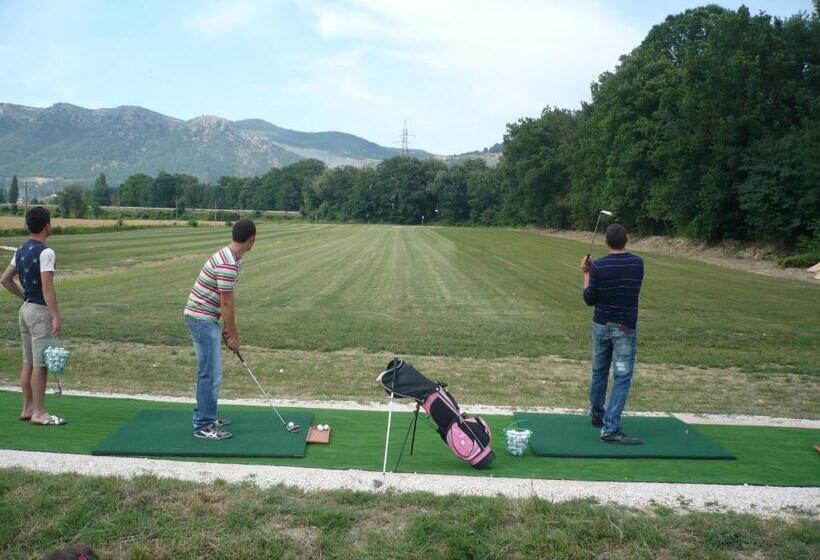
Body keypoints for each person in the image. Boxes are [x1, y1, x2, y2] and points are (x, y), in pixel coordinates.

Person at [184, 218, 256, 440]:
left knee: (210, 371)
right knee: (210, 372)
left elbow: (224, 302)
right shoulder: (227, 264)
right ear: (251, 239)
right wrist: (233, 335)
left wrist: (226, 328)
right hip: (201, 318)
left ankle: (207, 416)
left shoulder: (233, 258)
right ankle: (203, 425)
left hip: (205, 318)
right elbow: (227, 304)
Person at [0, 206, 65, 425]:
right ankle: (39, 413)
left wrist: (24, 296)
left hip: (25, 310)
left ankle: (27, 408)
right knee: (41, 364)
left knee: (27, 362)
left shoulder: (21, 249)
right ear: (47, 226)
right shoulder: (46, 252)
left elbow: (5, 280)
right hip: (39, 312)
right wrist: (55, 316)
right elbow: (47, 289)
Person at [581, 223, 644, 444]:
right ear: (627, 240)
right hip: (625, 328)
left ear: (606, 242)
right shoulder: (637, 263)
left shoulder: (598, 266)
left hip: (601, 325)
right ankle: (610, 428)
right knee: (622, 377)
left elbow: (589, 299)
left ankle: (598, 415)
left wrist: (587, 274)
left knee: (599, 371)